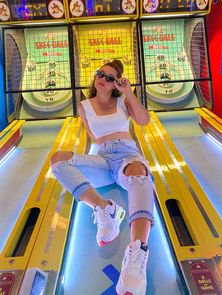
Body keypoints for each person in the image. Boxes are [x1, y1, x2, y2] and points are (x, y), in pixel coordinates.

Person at [50, 59, 154, 295]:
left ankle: (137, 252)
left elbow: (144, 120)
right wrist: (85, 161)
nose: (102, 78)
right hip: (103, 159)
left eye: (109, 77)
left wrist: (128, 93)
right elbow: (93, 137)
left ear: (115, 84)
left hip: (128, 155)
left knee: (139, 173)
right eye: (100, 74)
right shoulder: (83, 106)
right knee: (58, 159)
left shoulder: (122, 101)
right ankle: (104, 208)